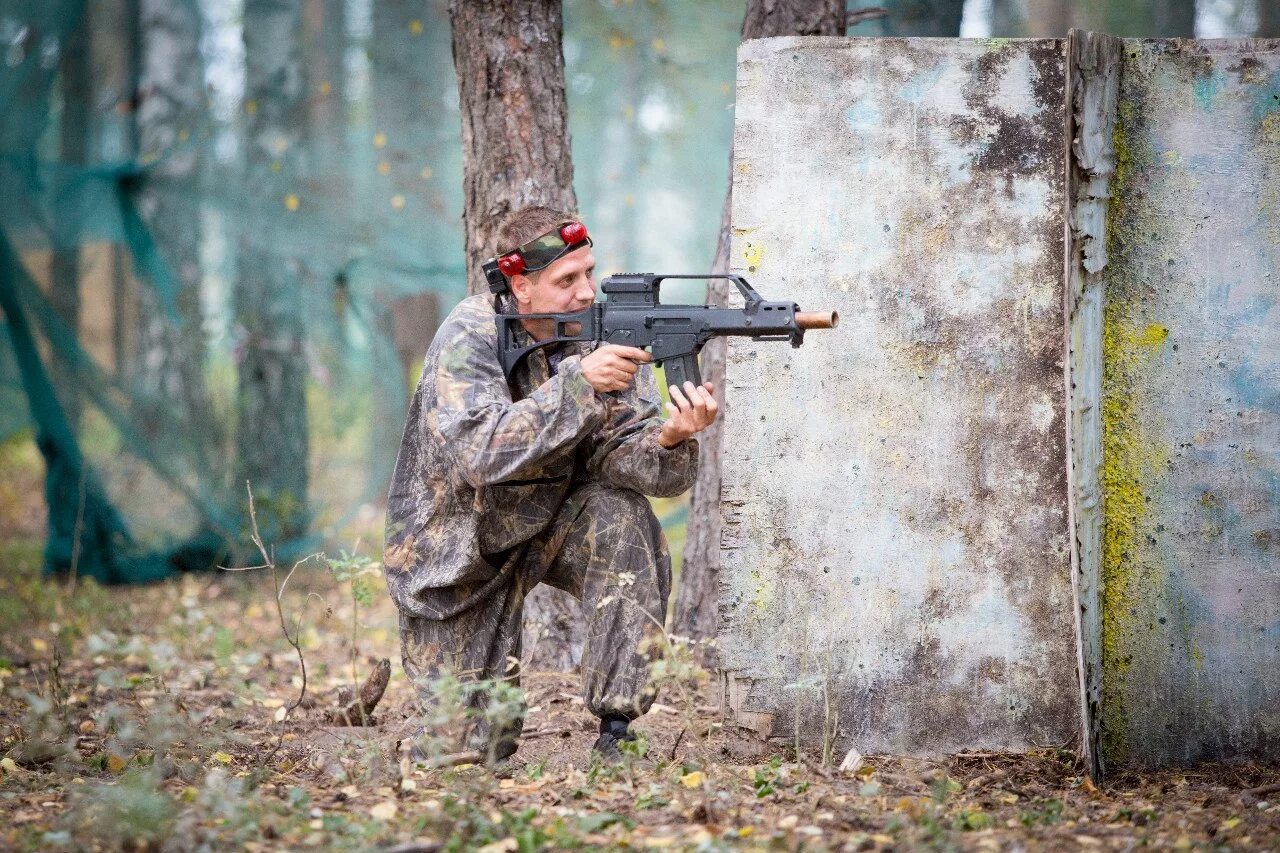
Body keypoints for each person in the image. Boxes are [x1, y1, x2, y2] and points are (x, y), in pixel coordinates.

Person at [383, 205, 718, 764]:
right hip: (457, 556)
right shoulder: (470, 334)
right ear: (522, 287)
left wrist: (671, 438)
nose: (586, 292)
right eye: (567, 280)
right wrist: (577, 388)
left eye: (589, 273)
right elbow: (482, 453)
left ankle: (617, 729)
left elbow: (622, 457)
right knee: (467, 749)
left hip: (550, 522)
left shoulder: (595, 338)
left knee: (621, 515)